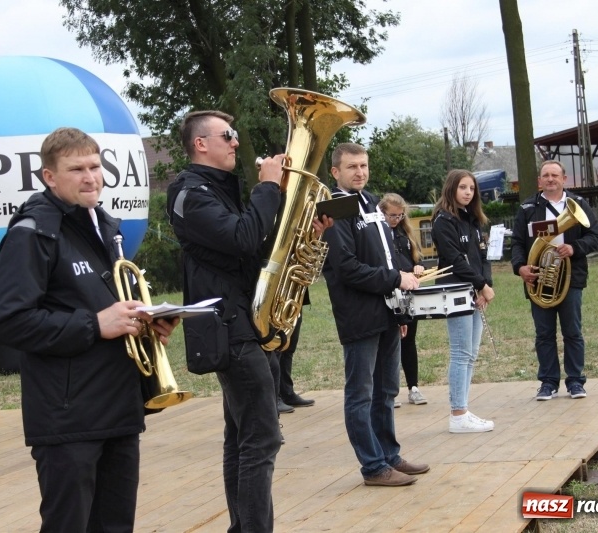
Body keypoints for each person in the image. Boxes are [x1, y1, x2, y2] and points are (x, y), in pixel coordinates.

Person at [0, 127, 178, 532]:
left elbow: (104, 301)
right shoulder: (31, 233)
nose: (91, 177)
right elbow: (8, 321)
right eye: (76, 169)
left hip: (119, 405)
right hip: (67, 418)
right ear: (50, 177)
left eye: (95, 166)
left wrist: (147, 322)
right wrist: (95, 324)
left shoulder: (106, 225)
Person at [166, 110, 330, 532]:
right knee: (262, 438)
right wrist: (269, 187)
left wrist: (308, 234)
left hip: (244, 322)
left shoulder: (218, 190)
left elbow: (253, 252)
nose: (236, 142)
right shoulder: (190, 194)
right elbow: (242, 237)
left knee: (242, 438)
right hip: (229, 327)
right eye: (228, 135)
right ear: (201, 144)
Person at [322, 142, 430, 487]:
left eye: (364, 165)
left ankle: (389, 456)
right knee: (361, 394)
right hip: (359, 314)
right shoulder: (332, 209)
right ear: (335, 172)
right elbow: (346, 268)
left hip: (386, 311)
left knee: (386, 391)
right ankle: (373, 467)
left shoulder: (370, 202)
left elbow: (386, 255)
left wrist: (402, 298)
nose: (360, 172)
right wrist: (396, 278)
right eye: (352, 166)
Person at [510, 160, 598, 401]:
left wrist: (574, 247)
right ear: (539, 180)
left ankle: (575, 381)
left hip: (570, 277)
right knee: (544, 334)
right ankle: (548, 382)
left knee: (572, 331)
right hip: (538, 277)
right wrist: (520, 268)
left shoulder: (578, 203)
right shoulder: (527, 207)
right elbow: (517, 242)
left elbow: (596, 236)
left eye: (555, 175)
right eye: (545, 175)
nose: (550, 179)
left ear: (564, 179)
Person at [431, 170, 495, 433]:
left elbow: (483, 255)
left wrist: (485, 284)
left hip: (475, 290)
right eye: (462, 187)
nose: (468, 192)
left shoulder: (473, 219)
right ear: (451, 189)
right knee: (461, 352)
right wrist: (481, 284)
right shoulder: (443, 221)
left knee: (471, 354)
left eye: (472, 188)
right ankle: (458, 414)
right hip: (456, 291)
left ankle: (464, 410)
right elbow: (455, 260)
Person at [378, 193, 427, 407]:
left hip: (408, 292)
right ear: (382, 213)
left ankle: (413, 387)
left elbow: (416, 258)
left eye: (400, 215)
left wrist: (418, 266)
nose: (396, 219)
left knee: (409, 340)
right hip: (388, 290)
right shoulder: (378, 233)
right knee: (389, 343)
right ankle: (390, 390)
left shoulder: (404, 232)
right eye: (392, 216)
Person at [276, 291, 315, 414]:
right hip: (278, 297)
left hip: (295, 296)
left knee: (289, 347)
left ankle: (287, 393)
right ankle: (274, 397)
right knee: (277, 349)